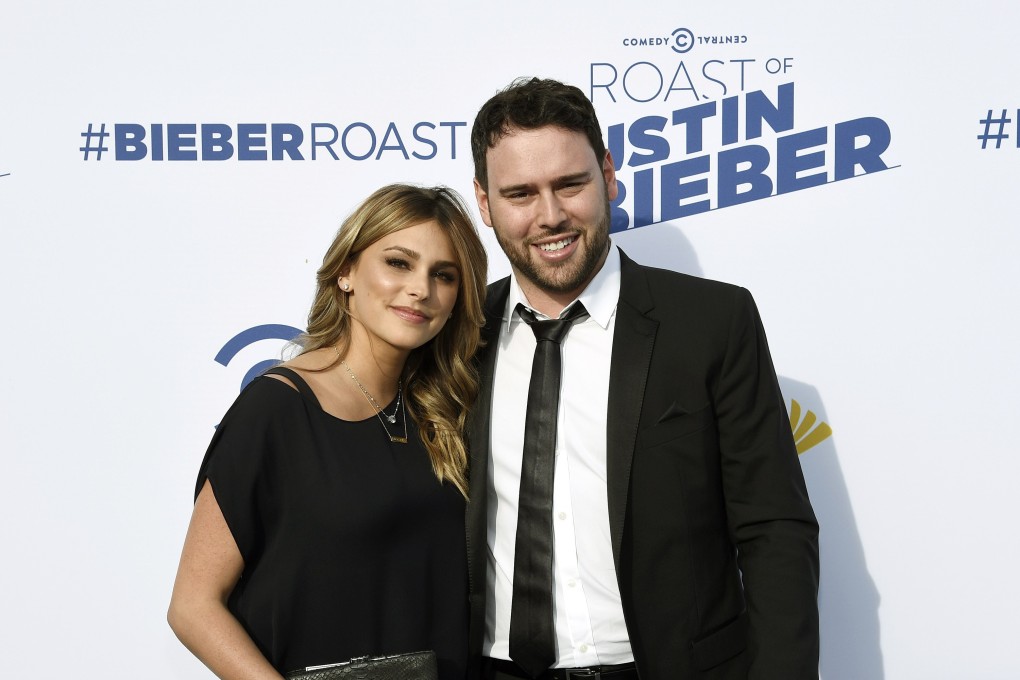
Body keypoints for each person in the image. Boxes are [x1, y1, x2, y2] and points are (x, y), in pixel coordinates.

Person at [465, 78, 820, 679]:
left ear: (608, 174)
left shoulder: (713, 322)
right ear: (484, 202)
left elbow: (774, 529)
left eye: (570, 184)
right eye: (520, 193)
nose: (550, 216)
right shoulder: (456, 339)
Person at [168, 184, 488, 679]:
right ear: (346, 272)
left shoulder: (444, 411)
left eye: (442, 275)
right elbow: (192, 607)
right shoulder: (276, 409)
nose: (421, 289)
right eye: (399, 263)